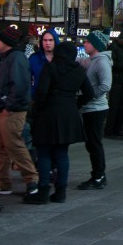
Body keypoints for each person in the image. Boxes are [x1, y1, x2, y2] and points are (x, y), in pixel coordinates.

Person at [27, 42, 94, 205]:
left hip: (48, 113)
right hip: (68, 113)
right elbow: (89, 92)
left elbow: (41, 92)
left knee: (44, 153)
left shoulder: (51, 68)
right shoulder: (78, 69)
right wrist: (75, 104)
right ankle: (60, 192)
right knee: (62, 154)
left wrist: (35, 112)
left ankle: (43, 192)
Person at [0, 25, 39, 197]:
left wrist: (7, 104)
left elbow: (19, 85)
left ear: (7, 42)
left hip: (10, 111)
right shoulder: (8, 57)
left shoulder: (15, 58)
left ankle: (31, 179)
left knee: (13, 145)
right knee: (1, 147)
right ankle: (2, 182)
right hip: (4, 109)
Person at [78, 30, 112, 189]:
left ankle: (99, 176)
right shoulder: (91, 60)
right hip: (90, 107)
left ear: (96, 45)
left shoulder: (101, 62)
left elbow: (106, 85)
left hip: (96, 108)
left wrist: (90, 96)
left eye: (88, 42)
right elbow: (79, 60)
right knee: (92, 143)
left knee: (94, 143)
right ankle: (97, 175)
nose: (84, 44)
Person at [28, 29, 58, 96]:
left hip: (56, 100)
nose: (47, 43)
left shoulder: (61, 59)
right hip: (36, 98)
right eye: (45, 40)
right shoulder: (34, 58)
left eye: (50, 40)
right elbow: (27, 78)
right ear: (41, 42)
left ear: (55, 41)